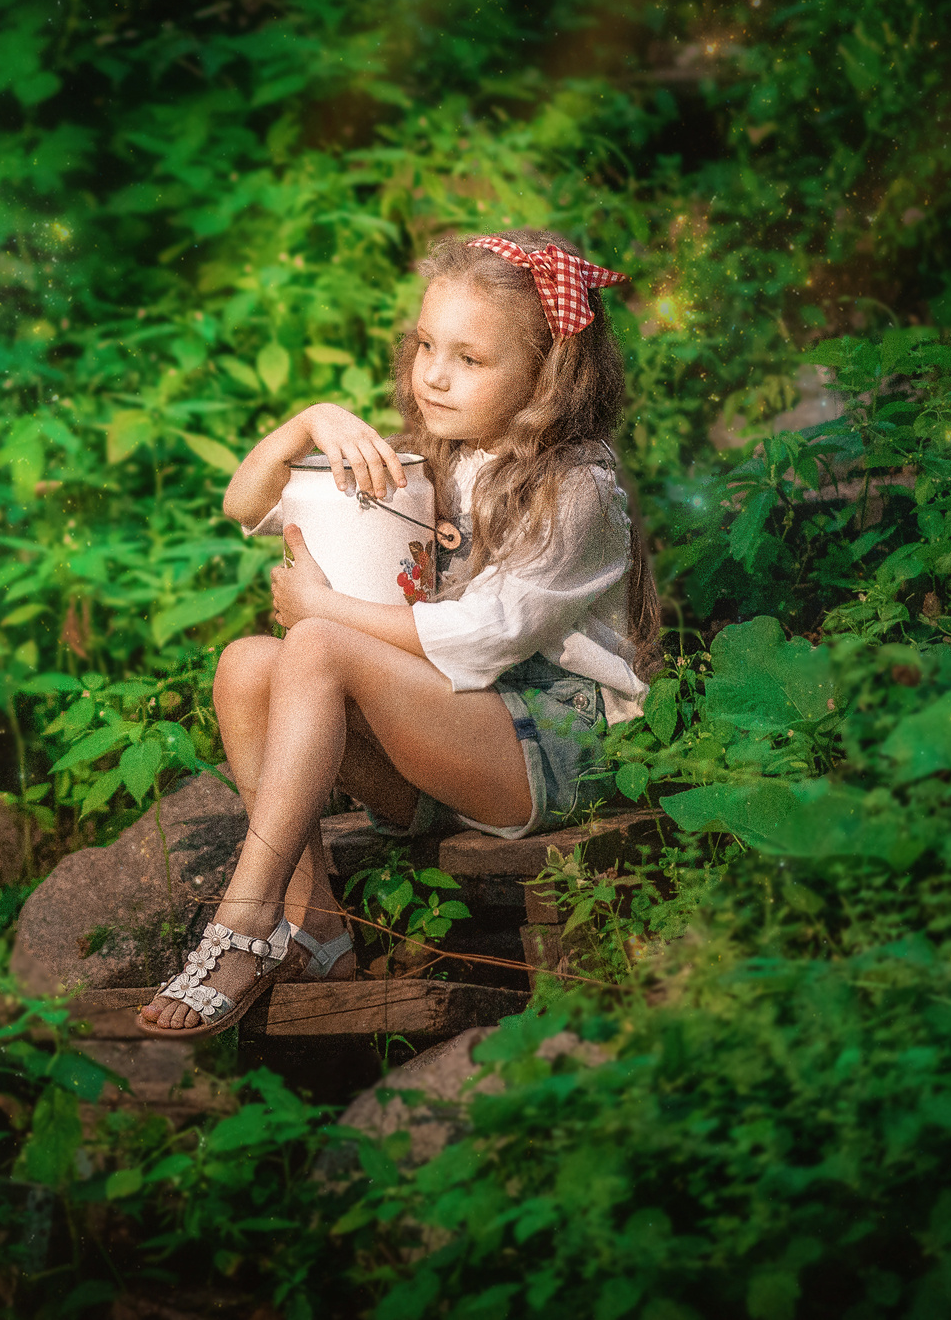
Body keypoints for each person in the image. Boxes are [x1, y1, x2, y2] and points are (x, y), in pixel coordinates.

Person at [137, 229, 662, 1037]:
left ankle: (243, 921)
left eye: (470, 358)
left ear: (545, 374)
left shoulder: (575, 489)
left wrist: (323, 611)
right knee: (245, 663)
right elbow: (245, 506)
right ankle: (314, 924)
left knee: (312, 644)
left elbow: (484, 639)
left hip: (554, 749)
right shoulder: (425, 462)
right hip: (451, 739)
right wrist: (307, 420)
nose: (435, 374)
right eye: (425, 345)